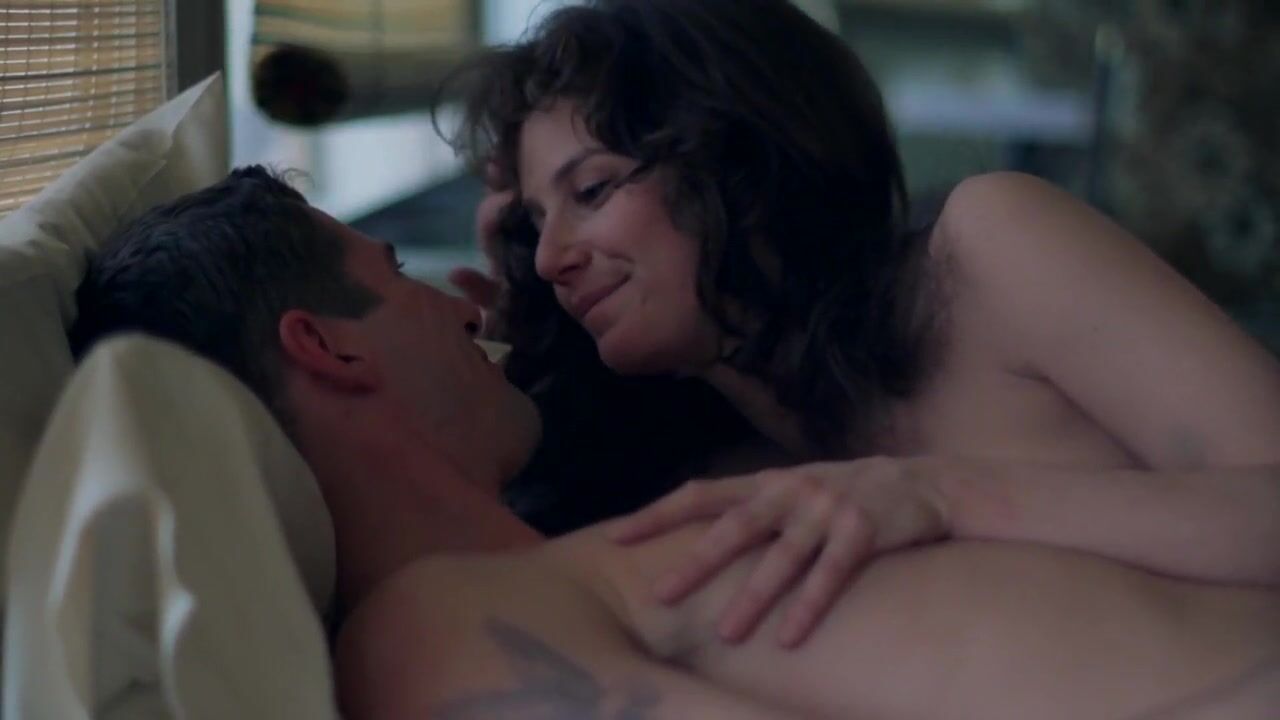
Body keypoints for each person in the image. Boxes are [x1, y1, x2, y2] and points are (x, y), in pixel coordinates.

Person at [70, 166, 1280, 719]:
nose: (465, 309)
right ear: (329, 350)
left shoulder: (643, 526)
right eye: (394, 276)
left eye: (586, 195)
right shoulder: (424, 633)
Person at [444, 0, 1280, 643]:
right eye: (534, 223)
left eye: (591, 190)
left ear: (736, 152)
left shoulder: (988, 252)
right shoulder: (725, 465)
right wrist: (522, 354)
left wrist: (951, 495)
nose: (551, 257)